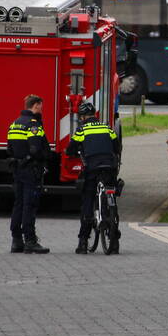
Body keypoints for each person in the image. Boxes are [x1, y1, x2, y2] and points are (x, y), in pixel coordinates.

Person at [65, 102, 120, 254]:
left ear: (82, 117)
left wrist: (71, 153)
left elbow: (71, 149)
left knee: (88, 200)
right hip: (109, 167)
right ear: (95, 115)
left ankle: (83, 242)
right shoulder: (107, 127)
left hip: (92, 168)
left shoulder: (81, 129)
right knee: (112, 194)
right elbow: (116, 147)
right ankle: (114, 240)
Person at [7, 94, 50, 254]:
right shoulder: (33, 125)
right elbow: (36, 149)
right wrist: (42, 158)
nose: (41, 109)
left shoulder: (15, 123)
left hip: (17, 169)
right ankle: (30, 240)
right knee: (29, 205)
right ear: (37, 105)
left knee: (18, 204)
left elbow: (9, 149)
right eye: (41, 106)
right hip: (31, 170)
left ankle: (16, 240)